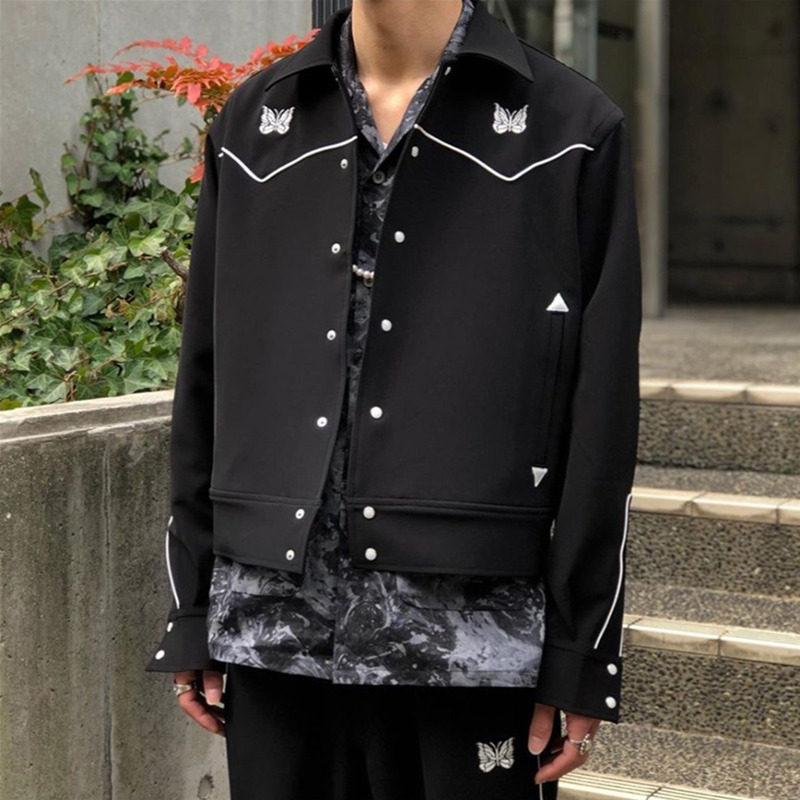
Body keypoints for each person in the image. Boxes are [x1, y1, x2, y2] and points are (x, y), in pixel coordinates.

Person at [145, 1, 642, 798]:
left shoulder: (571, 129)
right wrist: (192, 608)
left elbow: (602, 415)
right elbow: (207, 374)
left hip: (474, 644)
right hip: (274, 630)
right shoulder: (254, 122)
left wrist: (582, 652)